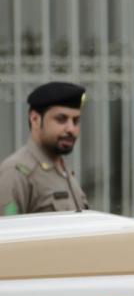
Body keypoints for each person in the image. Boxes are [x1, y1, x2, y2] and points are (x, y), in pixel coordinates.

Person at [0, 82, 90, 215]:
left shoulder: (62, 169)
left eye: (75, 121)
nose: (71, 129)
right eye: (61, 119)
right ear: (35, 119)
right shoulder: (16, 173)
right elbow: (7, 227)